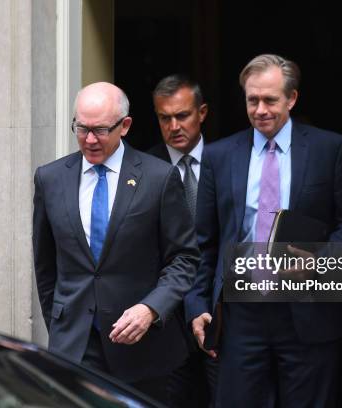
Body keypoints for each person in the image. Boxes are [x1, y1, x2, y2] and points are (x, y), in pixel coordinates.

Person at [185, 54, 342, 407]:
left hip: (308, 310)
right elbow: (202, 243)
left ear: (292, 99)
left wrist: (320, 260)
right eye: (253, 100)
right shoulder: (220, 155)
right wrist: (197, 305)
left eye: (270, 100)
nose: (260, 109)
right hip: (241, 316)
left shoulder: (330, 149)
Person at [33, 82, 200, 403]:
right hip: (74, 345)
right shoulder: (50, 178)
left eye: (100, 130)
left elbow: (184, 258)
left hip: (142, 347)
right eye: (81, 129)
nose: (90, 139)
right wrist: (61, 322)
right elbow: (45, 264)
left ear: (125, 126)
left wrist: (151, 308)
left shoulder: (159, 177)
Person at [148, 74, 218, 407]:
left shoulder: (228, 159)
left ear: (201, 112)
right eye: (165, 118)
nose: (174, 126)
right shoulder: (142, 167)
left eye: (183, 115)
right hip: (164, 322)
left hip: (219, 315)